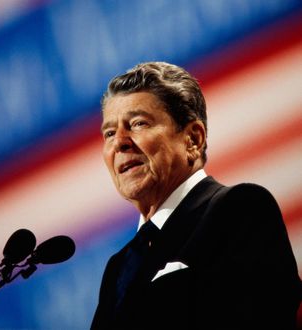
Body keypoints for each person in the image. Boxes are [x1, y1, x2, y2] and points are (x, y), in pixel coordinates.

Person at [91, 62, 301, 330]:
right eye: (109, 132)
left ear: (193, 139)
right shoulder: (119, 267)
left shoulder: (238, 210)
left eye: (138, 123)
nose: (119, 141)